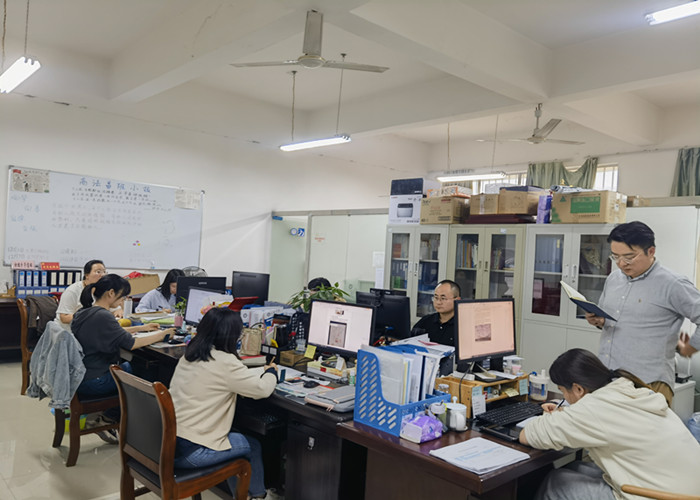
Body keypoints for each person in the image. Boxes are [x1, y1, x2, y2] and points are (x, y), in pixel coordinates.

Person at [520, 348, 700, 500]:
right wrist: (567, 414)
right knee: (575, 467)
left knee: (555, 482)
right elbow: (604, 419)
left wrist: (549, 417)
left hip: (657, 495)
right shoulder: (626, 389)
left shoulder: (594, 408)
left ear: (578, 389)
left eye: (562, 391)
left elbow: (528, 435)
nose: (564, 397)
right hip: (686, 490)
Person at [585, 221, 700, 405]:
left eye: (629, 257)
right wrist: (599, 321)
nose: (621, 263)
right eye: (615, 256)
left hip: (648, 382)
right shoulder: (614, 279)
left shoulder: (672, 284)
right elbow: (615, 321)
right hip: (609, 377)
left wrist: (690, 348)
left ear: (651, 251)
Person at [169, 307, 278, 499]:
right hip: (193, 452)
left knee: (237, 435)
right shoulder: (225, 361)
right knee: (253, 445)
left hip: (169, 444)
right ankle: (257, 496)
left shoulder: (190, 354)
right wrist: (271, 372)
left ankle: (244, 495)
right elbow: (262, 389)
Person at [72, 274, 173, 400]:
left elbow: (114, 331)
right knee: (145, 369)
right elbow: (132, 343)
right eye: (122, 296)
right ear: (111, 293)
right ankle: (127, 408)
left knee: (135, 364)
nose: (123, 300)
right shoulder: (104, 316)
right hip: (96, 380)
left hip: (82, 376)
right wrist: (162, 335)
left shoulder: (85, 311)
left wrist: (141, 328)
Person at [55, 259, 106, 330]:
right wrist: (88, 316)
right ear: (87, 275)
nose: (103, 275)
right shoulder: (72, 291)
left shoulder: (103, 290)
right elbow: (64, 318)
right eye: (98, 272)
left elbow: (114, 308)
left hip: (89, 329)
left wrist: (118, 311)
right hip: (68, 331)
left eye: (104, 272)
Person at [411, 280, 461, 346]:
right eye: (436, 298)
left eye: (443, 298)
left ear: (457, 300)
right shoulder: (425, 321)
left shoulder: (463, 325)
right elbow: (409, 341)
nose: (438, 302)